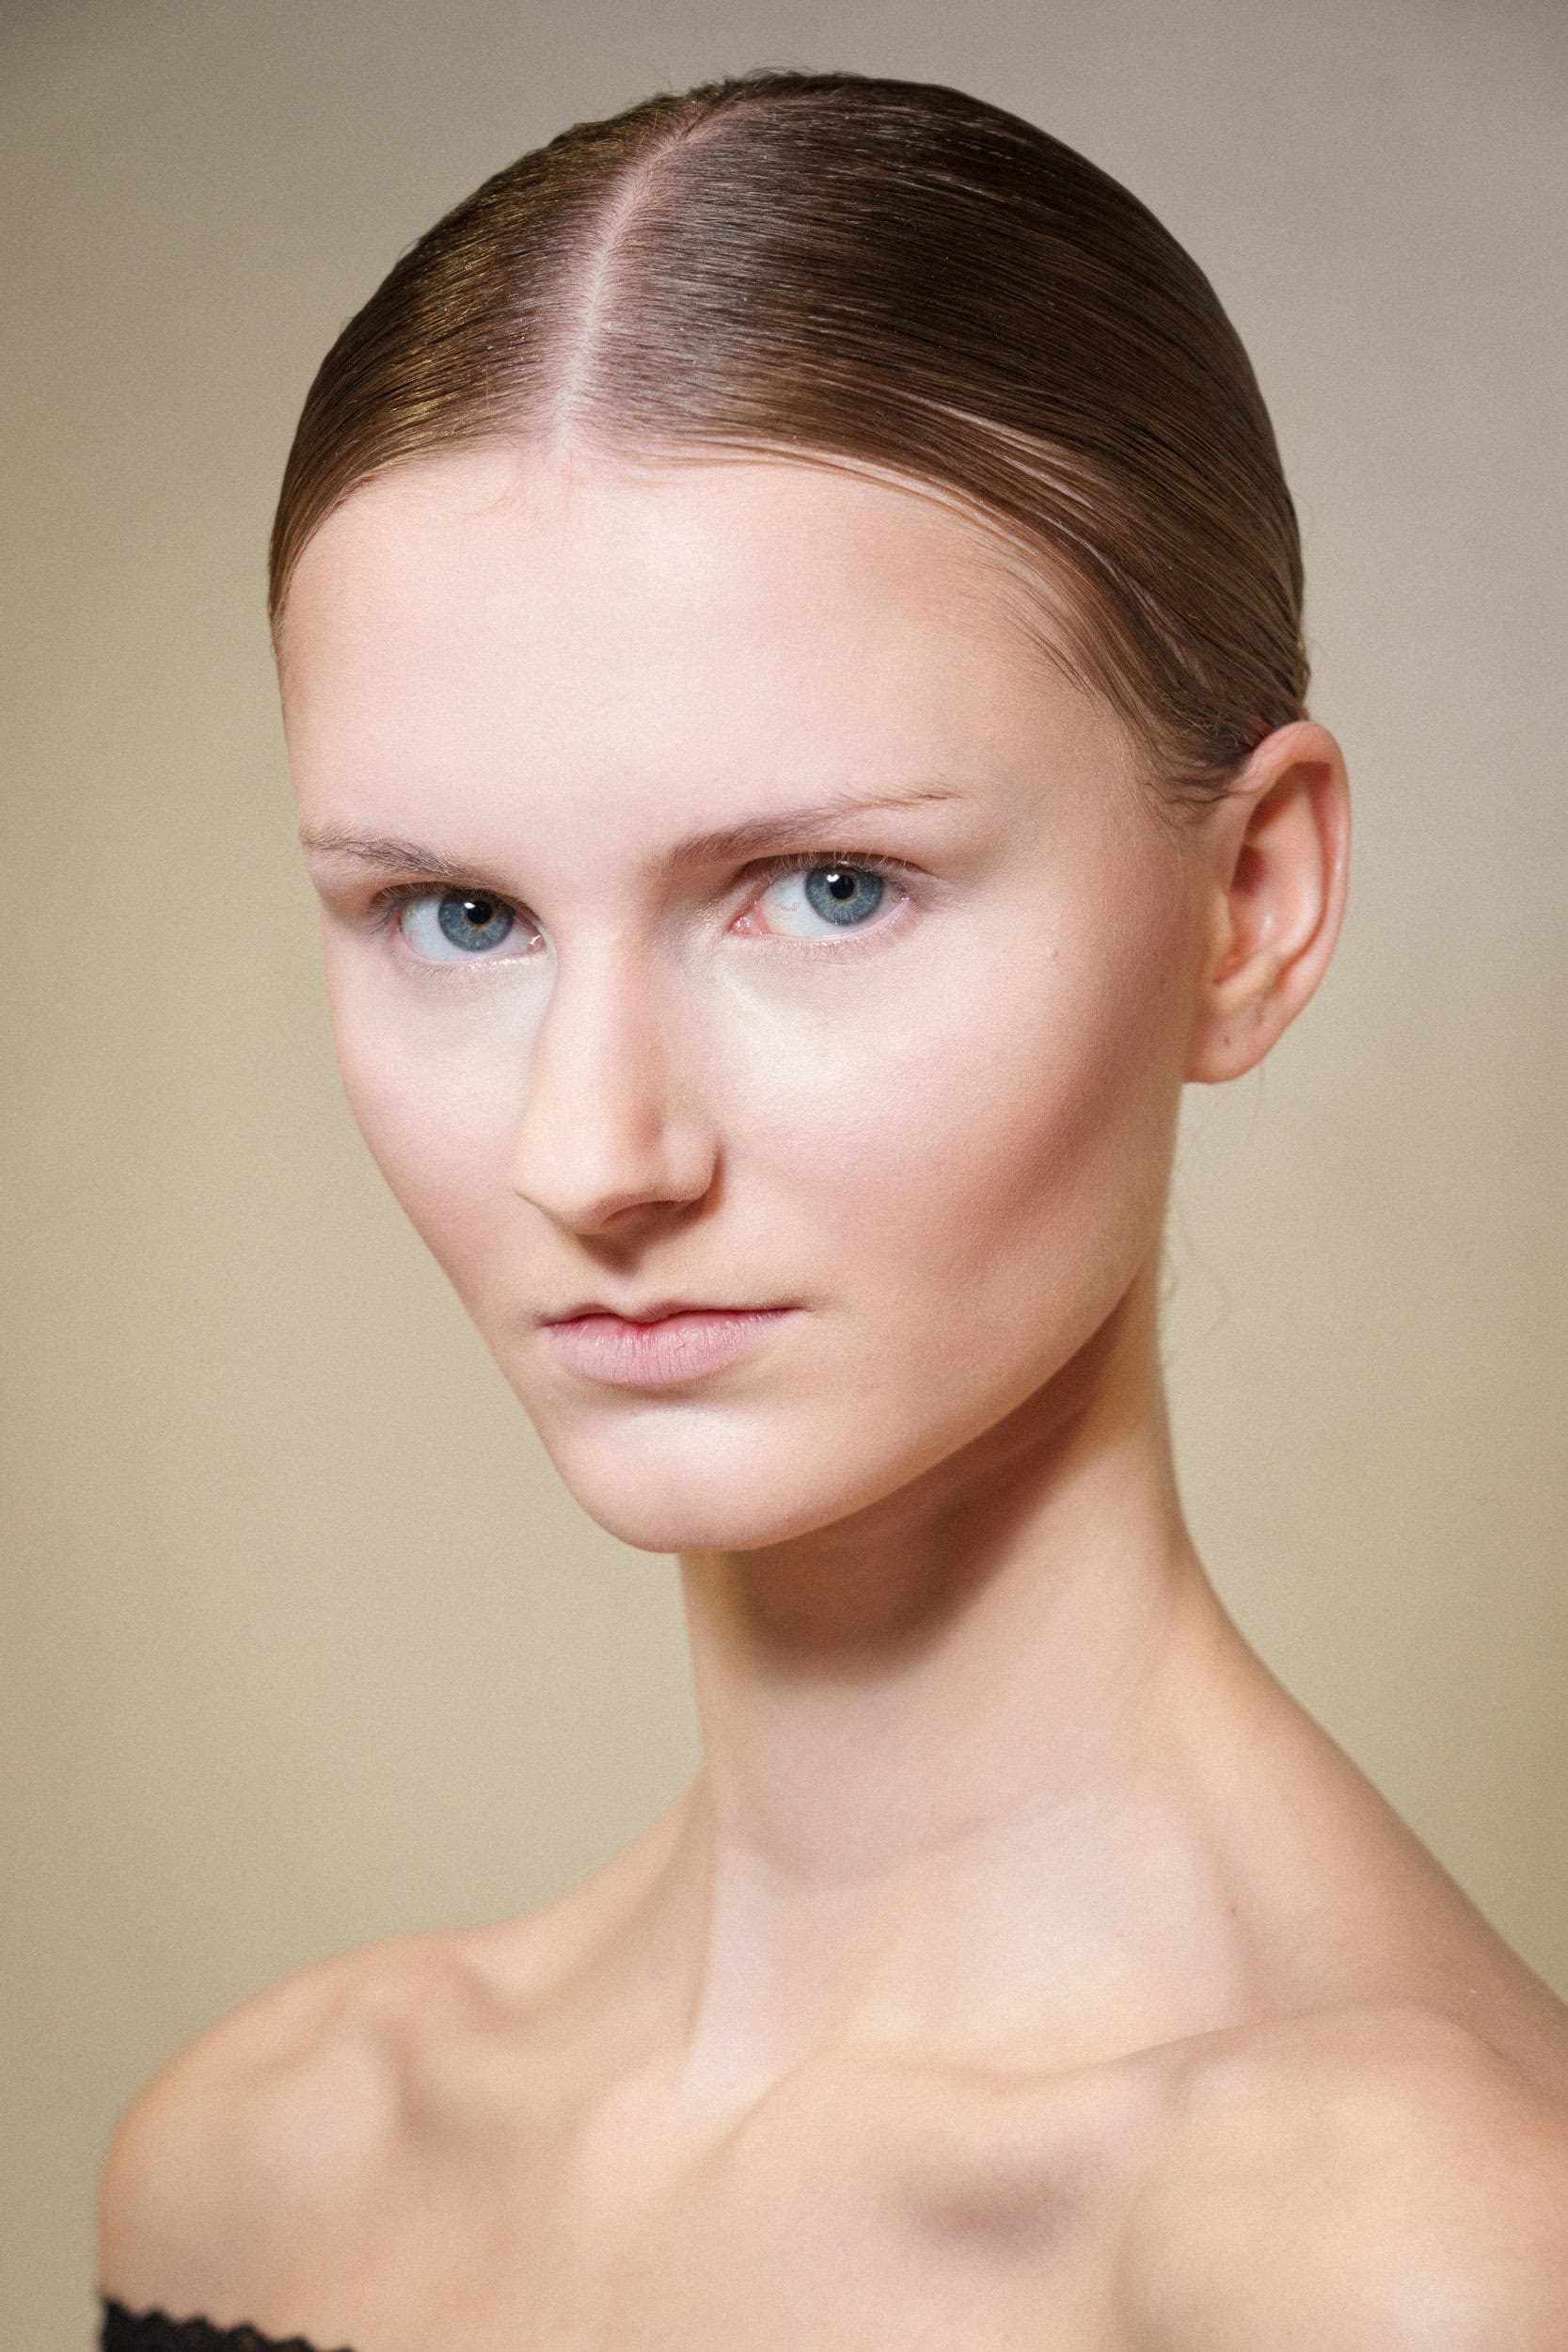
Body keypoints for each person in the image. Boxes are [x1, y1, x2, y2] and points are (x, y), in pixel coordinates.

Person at [96, 65, 1568, 2351]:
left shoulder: (1417, 2255)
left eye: (828, 886)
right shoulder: (264, 2158)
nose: (592, 1151)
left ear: (1251, 903)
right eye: (458, 914)